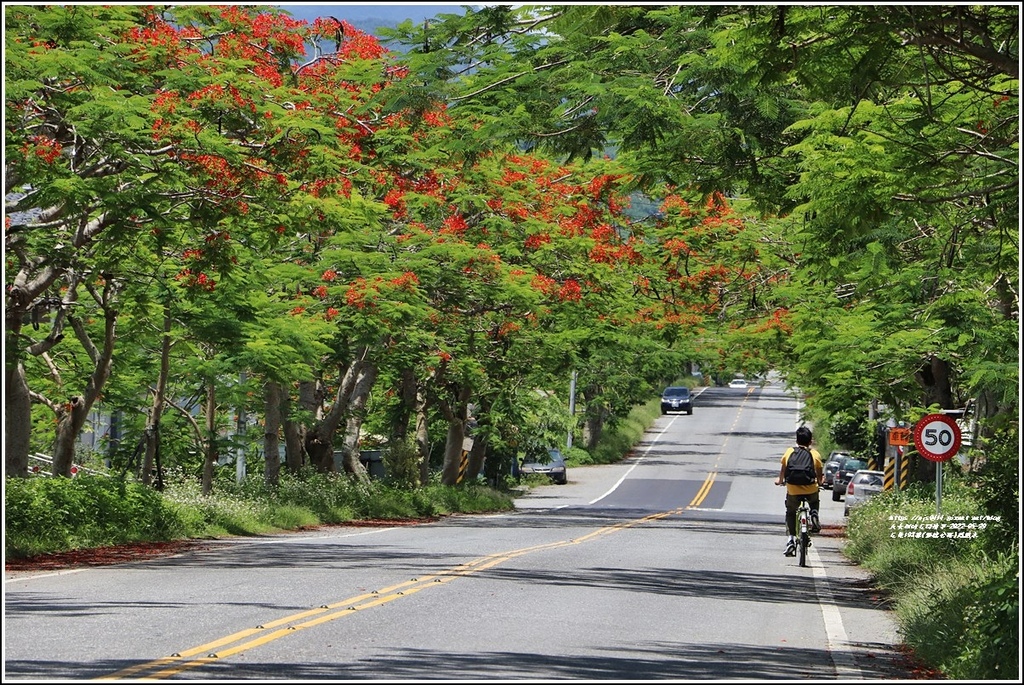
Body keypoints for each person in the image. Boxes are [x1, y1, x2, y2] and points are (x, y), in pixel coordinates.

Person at [774, 426, 824, 556]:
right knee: (814, 501)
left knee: (790, 512)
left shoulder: (789, 452)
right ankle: (814, 513)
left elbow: (783, 471)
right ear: (810, 441)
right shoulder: (815, 454)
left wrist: (779, 481)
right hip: (810, 488)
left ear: (797, 440)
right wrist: (820, 483)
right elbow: (819, 477)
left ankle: (791, 539)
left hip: (793, 489)